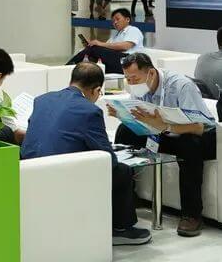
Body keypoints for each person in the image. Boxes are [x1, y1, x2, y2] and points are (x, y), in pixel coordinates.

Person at [21, 62, 152, 246]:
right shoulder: (90, 111)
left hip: (28, 171)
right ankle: (121, 229)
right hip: (61, 177)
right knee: (122, 171)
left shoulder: (42, 100)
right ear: (96, 90)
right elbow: (108, 159)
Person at [110, 53, 216, 238]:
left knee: (189, 145)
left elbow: (199, 127)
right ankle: (128, 198)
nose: (132, 83)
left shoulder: (181, 86)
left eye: (135, 78)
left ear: (151, 73)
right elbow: (144, 120)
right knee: (124, 132)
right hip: (162, 133)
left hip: (196, 136)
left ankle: (192, 215)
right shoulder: (139, 89)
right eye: (128, 79)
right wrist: (123, 115)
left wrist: (165, 126)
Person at [67, 8, 144, 74]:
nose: (115, 22)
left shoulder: (133, 30)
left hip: (129, 61)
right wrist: (91, 45)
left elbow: (125, 46)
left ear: (127, 19)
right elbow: (104, 49)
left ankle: (67, 66)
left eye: (117, 19)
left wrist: (98, 44)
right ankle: (73, 72)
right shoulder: (116, 35)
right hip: (117, 60)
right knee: (92, 55)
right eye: (113, 21)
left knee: (94, 48)